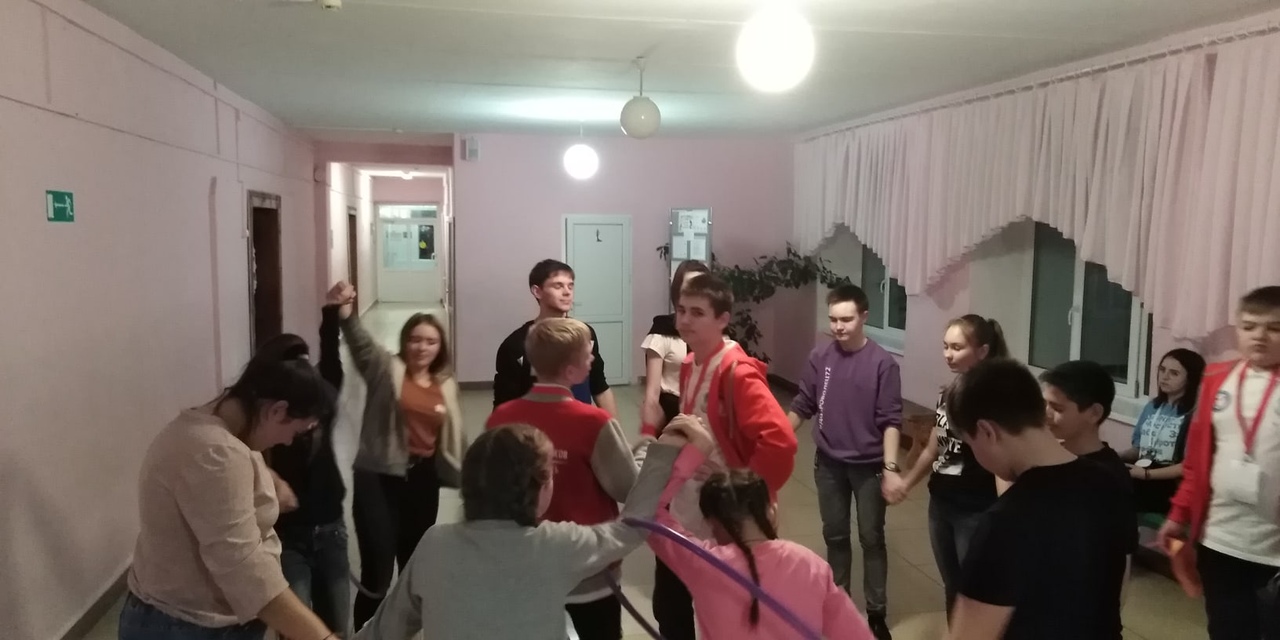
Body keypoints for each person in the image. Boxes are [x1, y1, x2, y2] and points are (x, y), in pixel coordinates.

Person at [352, 418, 712, 640]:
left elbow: (383, 631)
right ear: (537, 487)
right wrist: (662, 451)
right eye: (550, 474)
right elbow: (630, 528)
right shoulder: (555, 544)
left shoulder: (435, 543)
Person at [119, 356, 339, 640]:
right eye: (295, 432)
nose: (287, 442)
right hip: (188, 628)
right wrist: (323, 638)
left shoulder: (210, 428)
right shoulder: (217, 454)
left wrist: (270, 481)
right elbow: (246, 571)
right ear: (277, 410)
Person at [945, 358, 1133, 640]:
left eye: (971, 445)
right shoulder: (1109, 481)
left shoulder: (1003, 522)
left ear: (986, 431)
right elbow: (1119, 585)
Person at [486, 317, 638, 640]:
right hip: (589, 570)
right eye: (588, 353)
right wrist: (645, 452)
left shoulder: (501, 418)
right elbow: (628, 487)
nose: (593, 358)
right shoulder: (594, 422)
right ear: (571, 371)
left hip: (525, 564)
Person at [647, 436, 876, 640]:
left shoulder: (700, 563)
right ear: (772, 512)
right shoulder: (812, 566)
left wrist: (693, 452)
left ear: (712, 524)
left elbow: (648, 512)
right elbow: (857, 635)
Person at [336, 282, 467, 630]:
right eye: (415, 339)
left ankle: (404, 632)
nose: (422, 347)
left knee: (414, 567)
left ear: (440, 347)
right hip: (378, 478)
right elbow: (360, 344)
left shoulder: (445, 383)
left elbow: (453, 437)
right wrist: (345, 311)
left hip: (423, 481)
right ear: (404, 341)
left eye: (430, 341)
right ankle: (368, 633)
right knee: (378, 571)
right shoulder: (385, 368)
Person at [1159, 286, 1280, 640]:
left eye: (1274, 328)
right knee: (1228, 630)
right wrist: (1178, 514)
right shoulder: (1216, 378)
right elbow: (1198, 462)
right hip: (1221, 539)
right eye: (1249, 326)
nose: (1259, 336)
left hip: (1274, 548)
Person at [787, 284, 902, 640]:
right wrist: (775, 439)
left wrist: (891, 469)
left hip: (869, 466)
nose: (838, 327)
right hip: (829, 464)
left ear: (864, 316)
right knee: (835, 535)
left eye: (847, 319)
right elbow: (803, 404)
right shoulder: (820, 356)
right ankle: (840, 607)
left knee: (871, 538)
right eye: (834, 319)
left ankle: (876, 612)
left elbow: (891, 420)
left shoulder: (883, 363)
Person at [662, 273, 797, 536]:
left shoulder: (736, 371)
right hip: (690, 502)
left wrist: (740, 485)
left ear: (722, 320)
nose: (685, 320)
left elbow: (780, 441)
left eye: (697, 313)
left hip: (728, 511)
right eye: (681, 310)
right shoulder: (689, 363)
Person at [896, 315, 1010, 616]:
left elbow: (1003, 460)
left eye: (957, 348)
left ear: (982, 351)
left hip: (976, 508)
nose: (948, 354)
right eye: (945, 346)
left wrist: (1007, 514)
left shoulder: (995, 399)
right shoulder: (949, 392)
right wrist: (907, 482)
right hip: (942, 503)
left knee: (975, 591)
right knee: (952, 587)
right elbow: (937, 444)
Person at [260, 283, 352, 635]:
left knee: (337, 625)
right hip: (289, 536)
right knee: (297, 629)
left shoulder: (321, 397)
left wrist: (332, 311)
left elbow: (331, 357)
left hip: (331, 528)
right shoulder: (269, 421)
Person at [639, 258, 710, 640]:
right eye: (686, 289)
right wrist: (650, 436)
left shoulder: (720, 339)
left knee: (707, 527)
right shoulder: (663, 332)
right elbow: (652, 394)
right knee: (670, 524)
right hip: (673, 427)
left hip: (707, 439)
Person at [493, 259, 617, 416]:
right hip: (535, 428)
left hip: (580, 425)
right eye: (558, 286)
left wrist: (614, 428)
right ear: (537, 291)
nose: (567, 292)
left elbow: (600, 387)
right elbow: (504, 405)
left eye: (570, 286)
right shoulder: (516, 345)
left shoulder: (586, 335)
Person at [1118, 348, 1206, 513]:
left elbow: (1187, 466)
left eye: (1174, 373)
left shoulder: (1194, 415)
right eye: (1162, 370)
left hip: (1169, 482)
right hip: (1142, 473)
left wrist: (1147, 475)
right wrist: (1116, 456)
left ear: (1190, 379)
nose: (1164, 377)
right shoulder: (1152, 406)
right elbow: (1138, 450)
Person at [1039, 360, 1131, 480]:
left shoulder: (1104, 476)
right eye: (1043, 404)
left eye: (1057, 408)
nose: (1045, 414)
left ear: (1094, 413)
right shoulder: (1051, 456)